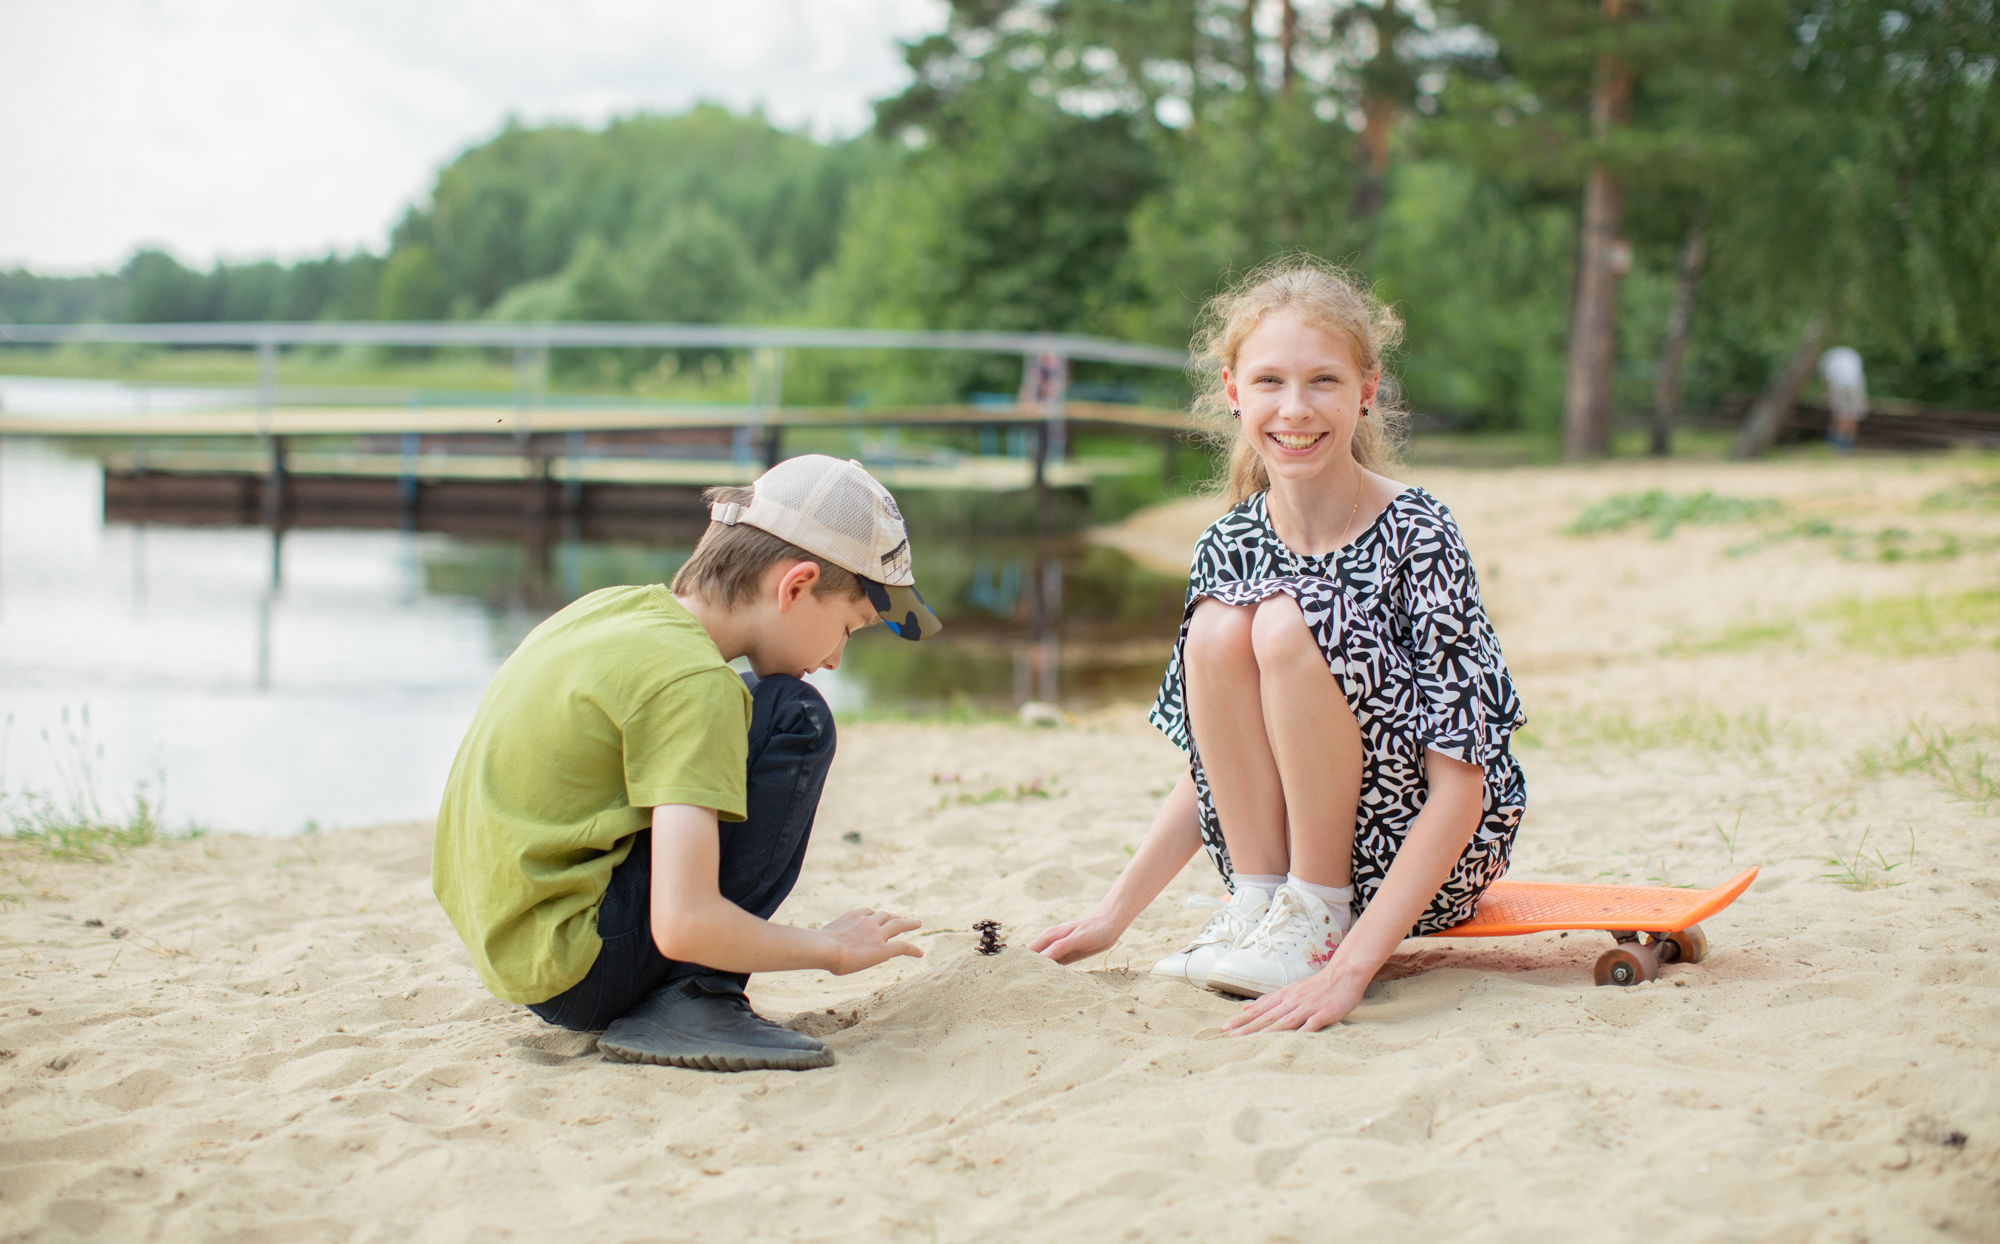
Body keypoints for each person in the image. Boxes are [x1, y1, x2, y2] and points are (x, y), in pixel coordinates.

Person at [1030, 258, 1527, 1033]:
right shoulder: (1227, 543)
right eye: (1269, 382)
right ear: (1233, 392)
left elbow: (1462, 787)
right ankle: (1261, 905)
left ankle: (1316, 914)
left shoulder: (1420, 532)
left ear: (1367, 390)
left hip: (1428, 849)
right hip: (1278, 857)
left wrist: (1351, 968)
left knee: (1285, 620)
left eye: (1323, 381)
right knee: (1221, 623)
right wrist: (1111, 914)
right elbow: (1217, 769)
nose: (1296, 409)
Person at [433, 455, 942, 1071]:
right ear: (796, 586)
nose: (836, 658)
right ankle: (698, 997)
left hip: (516, 946)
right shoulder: (694, 682)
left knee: (758, 707)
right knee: (794, 716)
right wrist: (830, 948)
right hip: (576, 972)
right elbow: (683, 923)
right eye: (850, 627)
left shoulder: (614, 611)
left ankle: (680, 994)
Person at [1819, 345, 1867, 453]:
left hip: (1838, 384)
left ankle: (1837, 444)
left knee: (1840, 413)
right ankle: (1845, 445)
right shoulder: (1852, 354)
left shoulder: (1826, 358)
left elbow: (1824, 381)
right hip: (1856, 385)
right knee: (1852, 414)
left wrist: (1825, 397)